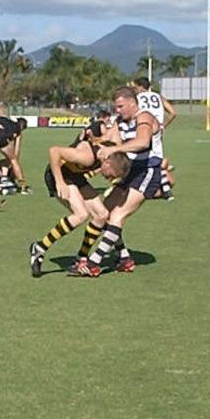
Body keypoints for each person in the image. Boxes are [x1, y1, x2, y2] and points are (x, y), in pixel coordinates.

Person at [71, 87, 166, 277]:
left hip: (147, 171)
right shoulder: (120, 121)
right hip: (130, 171)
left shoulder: (144, 117)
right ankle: (124, 258)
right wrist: (93, 140)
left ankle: (93, 263)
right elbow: (108, 138)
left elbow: (142, 142)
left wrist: (114, 151)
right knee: (104, 213)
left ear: (133, 103)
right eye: (116, 107)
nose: (118, 110)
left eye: (121, 106)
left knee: (117, 216)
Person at [29, 138, 130, 277]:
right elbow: (54, 151)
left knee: (102, 214)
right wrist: (59, 183)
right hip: (58, 175)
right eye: (111, 175)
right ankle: (40, 247)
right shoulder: (87, 157)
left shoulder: (109, 154)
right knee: (80, 214)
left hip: (75, 176)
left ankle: (81, 258)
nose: (110, 179)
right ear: (107, 163)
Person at [133, 77, 177, 199]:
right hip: (158, 130)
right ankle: (165, 189)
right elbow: (173, 112)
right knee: (157, 157)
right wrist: (163, 125)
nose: (135, 90)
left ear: (141, 87)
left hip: (145, 128)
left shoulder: (137, 98)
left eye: (136, 87)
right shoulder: (158, 96)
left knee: (144, 158)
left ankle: (158, 188)